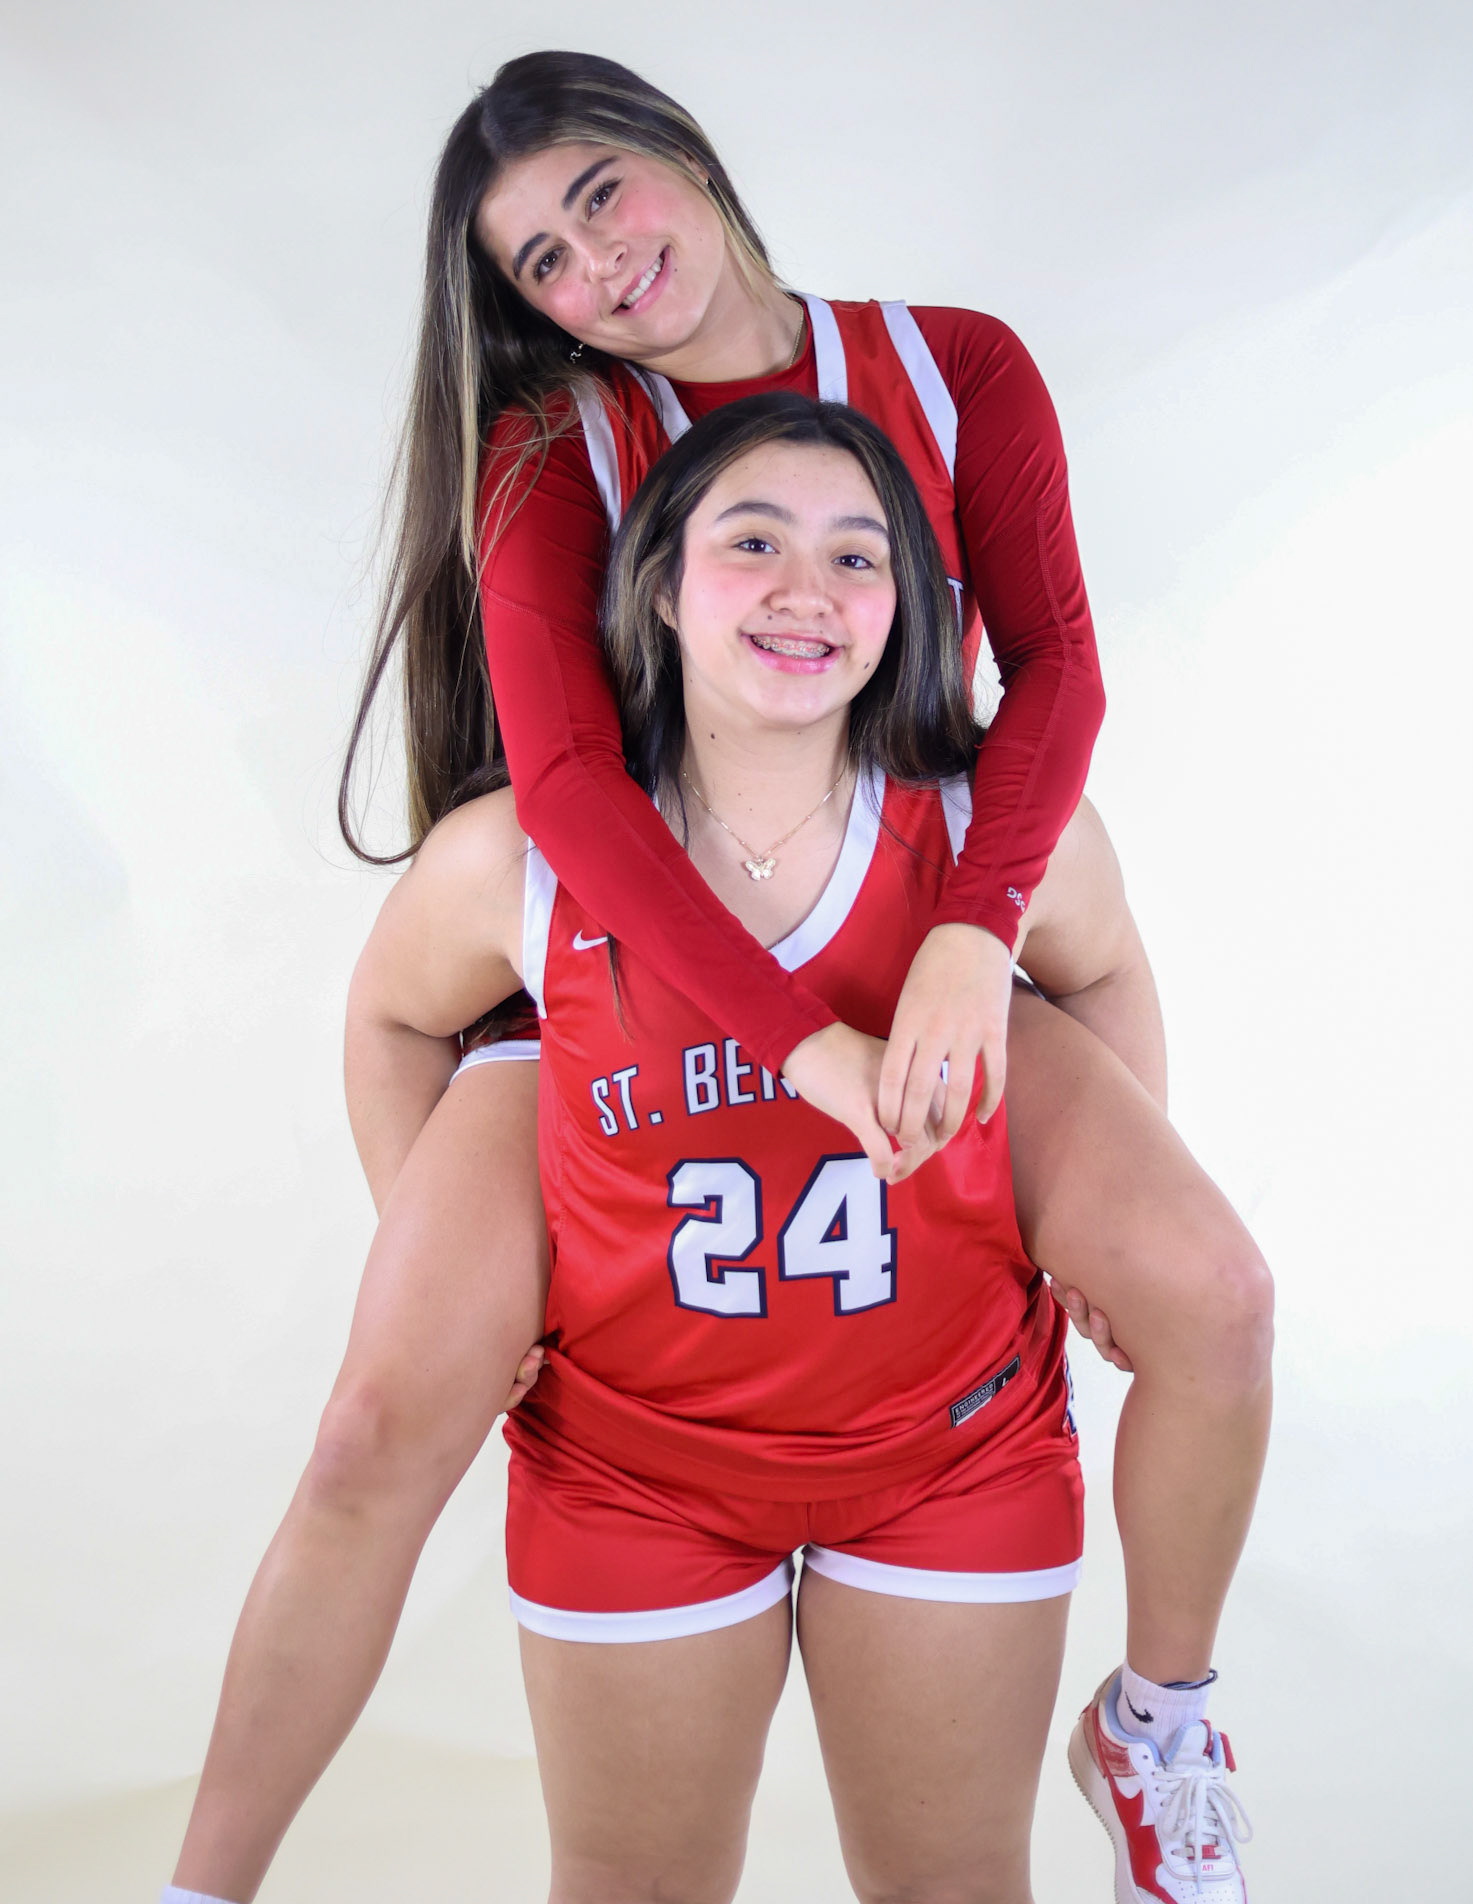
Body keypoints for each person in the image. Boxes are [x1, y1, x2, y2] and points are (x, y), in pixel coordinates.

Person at [165, 56, 1270, 1904]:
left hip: (925, 929)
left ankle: (1165, 1722)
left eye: (602, 198)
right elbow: (573, 800)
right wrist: (786, 1051)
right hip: (621, 980)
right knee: (380, 1423)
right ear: (658, 584)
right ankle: (206, 1878)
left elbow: (1058, 686)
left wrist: (970, 938)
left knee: (1209, 1291)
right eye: (540, 267)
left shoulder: (948, 369)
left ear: (680, 150)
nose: (595, 270)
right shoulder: (554, 458)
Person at [364, 394, 1087, 1902]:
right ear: (658, 580)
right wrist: (437, 1266)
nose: (805, 588)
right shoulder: (523, 858)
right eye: (750, 541)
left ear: (910, 610)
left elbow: (1106, 985)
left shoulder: (990, 828)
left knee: (956, 1881)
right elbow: (389, 1022)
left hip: (955, 1446)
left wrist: (1078, 1228)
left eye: (857, 554)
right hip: (631, 1465)